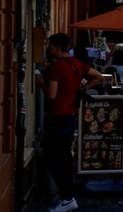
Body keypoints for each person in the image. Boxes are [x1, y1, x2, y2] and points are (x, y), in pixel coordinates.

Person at [36, 32, 104, 211]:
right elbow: (98, 76)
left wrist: (39, 82)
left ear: (57, 47)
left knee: (52, 159)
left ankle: (67, 198)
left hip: (57, 118)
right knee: (65, 158)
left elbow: (51, 94)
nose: (48, 48)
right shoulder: (76, 64)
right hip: (70, 118)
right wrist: (82, 88)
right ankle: (68, 196)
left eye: (50, 45)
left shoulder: (57, 68)